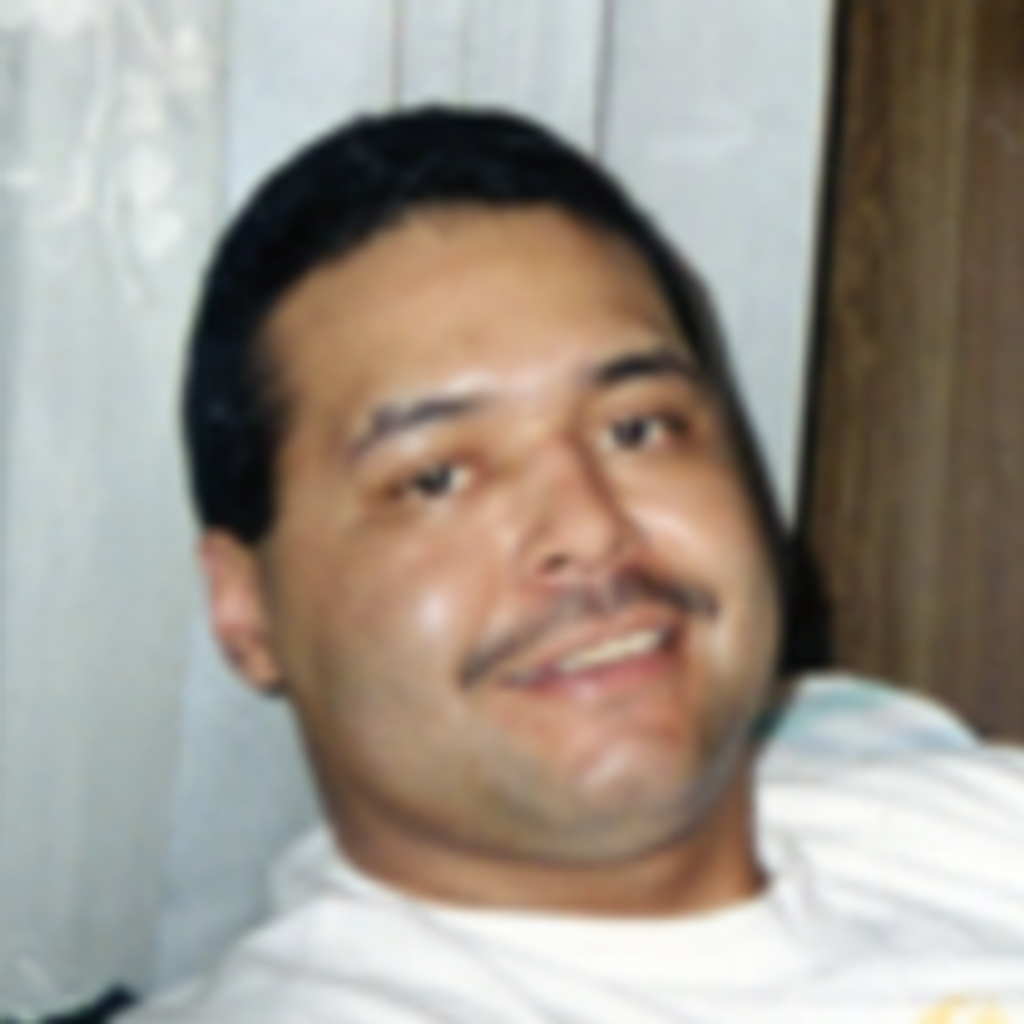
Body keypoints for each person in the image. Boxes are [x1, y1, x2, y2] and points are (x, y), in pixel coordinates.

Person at [123, 107, 1024, 1023]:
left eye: (638, 429)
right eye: (437, 479)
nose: (590, 530)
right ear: (247, 612)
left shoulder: (959, 828)